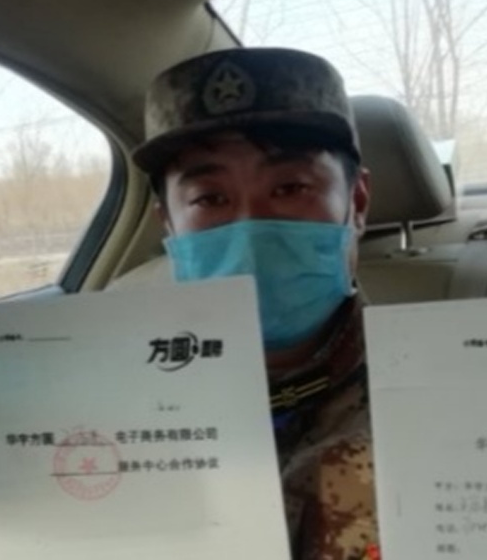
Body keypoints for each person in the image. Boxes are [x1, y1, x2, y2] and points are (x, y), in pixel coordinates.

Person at [132, 47, 379, 560]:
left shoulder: (446, 390)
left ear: (356, 203)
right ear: (168, 224)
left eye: (290, 187)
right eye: (209, 199)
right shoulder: (114, 404)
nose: (251, 229)